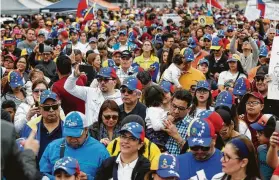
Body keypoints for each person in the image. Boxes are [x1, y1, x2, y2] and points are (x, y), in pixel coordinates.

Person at [40, 111, 110, 179]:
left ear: (86, 130)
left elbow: (110, 177)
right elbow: (42, 175)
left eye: (77, 135)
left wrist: (89, 178)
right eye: (69, 135)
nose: (73, 139)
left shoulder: (101, 152)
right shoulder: (52, 147)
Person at [20, 90, 64, 161]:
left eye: (55, 106)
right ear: (40, 109)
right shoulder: (30, 127)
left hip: (62, 170)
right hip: (37, 170)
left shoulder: (67, 125)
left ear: (59, 107)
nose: (51, 110)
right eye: (47, 107)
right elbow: (24, 153)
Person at [164, 89, 193, 155]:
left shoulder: (192, 125)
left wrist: (177, 136)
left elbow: (193, 154)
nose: (176, 111)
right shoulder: (162, 117)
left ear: (189, 109)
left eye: (181, 108)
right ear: (170, 103)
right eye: (174, 106)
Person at [250, 114, 278, 180]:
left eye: (260, 132)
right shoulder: (260, 149)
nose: (257, 135)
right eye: (257, 132)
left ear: (271, 133)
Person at [144, 85, 169, 150]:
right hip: (155, 135)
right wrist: (166, 126)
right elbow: (157, 127)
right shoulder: (152, 110)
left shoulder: (157, 109)